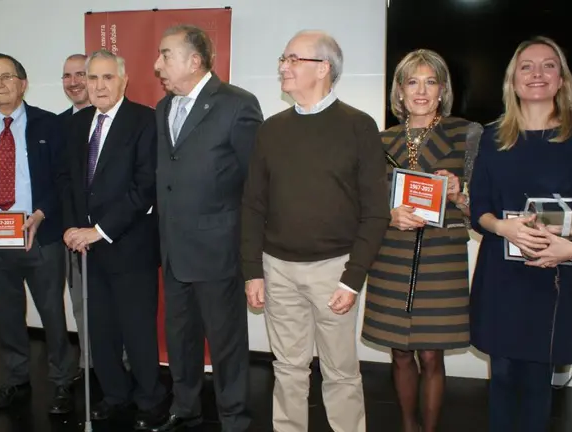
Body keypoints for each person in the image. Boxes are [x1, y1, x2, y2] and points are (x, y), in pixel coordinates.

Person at [241, 30, 389, 432]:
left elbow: (376, 212)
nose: (283, 67)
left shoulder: (358, 126)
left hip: (335, 271)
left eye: (293, 59)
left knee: (341, 372)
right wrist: (252, 269)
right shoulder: (271, 130)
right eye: (282, 59)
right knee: (287, 368)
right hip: (277, 269)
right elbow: (253, 205)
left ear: (323, 68)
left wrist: (353, 277)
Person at [468, 36, 572, 432]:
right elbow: (479, 209)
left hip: (553, 276)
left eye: (549, 65)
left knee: (534, 382)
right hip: (501, 273)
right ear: (512, 80)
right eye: (526, 66)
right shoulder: (493, 138)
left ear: (562, 80)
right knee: (503, 377)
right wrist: (502, 226)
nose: (537, 74)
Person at [361, 49, 482, 432]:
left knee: (431, 354)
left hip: (440, 257)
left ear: (442, 89)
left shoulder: (467, 133)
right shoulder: (380, 139)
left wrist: (459, 192)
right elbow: (365, 201)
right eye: (412, 81)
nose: (421, 91)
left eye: (431, 81)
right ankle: (408, 426)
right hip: (391, 254)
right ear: (399, 90)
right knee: (399, 353)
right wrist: (388, 213)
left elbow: (486, 203)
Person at [153, 24, 263, 432]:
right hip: (174, 248)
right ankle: (186, 407)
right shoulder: (165, 108)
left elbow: (256, 183)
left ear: (194, 61)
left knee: (226, 342)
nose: (156, 65)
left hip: (218, 249)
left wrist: (250, 251)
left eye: (165, 55)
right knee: (180, 338)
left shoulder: (237, 105)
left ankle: (234, 417)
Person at [0, 53, 76, 414]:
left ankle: (61, 382)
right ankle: (15, 379)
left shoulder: (49, 125)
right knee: (7, 314)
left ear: (22, 83)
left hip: (39, 236)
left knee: (52, 313)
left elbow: (63, 180)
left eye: (7, 77)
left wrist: (42, 214)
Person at [60, 49, 169, 430]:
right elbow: (69, 183)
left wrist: (100, 230)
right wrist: (72, 228)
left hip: (129, 247)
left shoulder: (145, 121)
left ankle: (149, 400)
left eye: (107, 78)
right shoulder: (75, 126)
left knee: (136, 329)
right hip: (86, 249)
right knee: (99, 329)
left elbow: (145, 188)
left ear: (123, 81)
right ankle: (115, 394)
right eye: (92, 78)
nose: (99, 85)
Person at [58, 52, 93, 382]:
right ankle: (88, 364)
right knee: (80, 303)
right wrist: (69, 228)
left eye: (81, 74)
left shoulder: (116, 120)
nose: (74, 82)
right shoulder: (58, 125)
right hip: (71, 233)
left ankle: (120, 362)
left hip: (108, 234)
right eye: (67, 76)